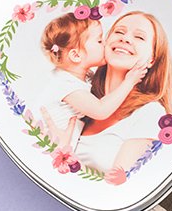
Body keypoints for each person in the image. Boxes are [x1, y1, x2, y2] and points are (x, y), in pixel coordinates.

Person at [43, 11, 172, 183]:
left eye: (139, 37)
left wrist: (62, 155)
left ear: (152, 59)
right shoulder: (80, 94)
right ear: (104, 44)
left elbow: (114, 188)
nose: (126, 39)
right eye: (119, 32)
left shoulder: (150, 114)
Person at [38, 12, 147, 149]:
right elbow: (100, 110)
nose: (105, 43)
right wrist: (129, 82)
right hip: (51, 148)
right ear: (76, 55)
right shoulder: (65, 85)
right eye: (99, 41)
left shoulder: (81, 76)